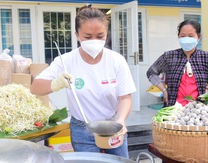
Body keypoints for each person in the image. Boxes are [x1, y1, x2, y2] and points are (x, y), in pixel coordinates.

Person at [30, 5, 136, 158]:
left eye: (100, 36)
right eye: (87, 36)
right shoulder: (66, 61)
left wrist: (120, 122)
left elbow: (125, 97)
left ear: (107, 34)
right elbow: (35, 88)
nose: (94, 41)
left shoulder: (116, 60)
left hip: (113, 125)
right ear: (77, 35)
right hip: (82, 129)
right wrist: (55, 84)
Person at [146, 19, 208, 107]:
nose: (186, 39)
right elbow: (151, 72)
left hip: (198, 109)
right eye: (183, 36)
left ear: (198, 37)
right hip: (173, 107)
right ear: (178, 36)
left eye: (190, 36)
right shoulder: (169, 56)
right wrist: (164, 90)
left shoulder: (207, 57)